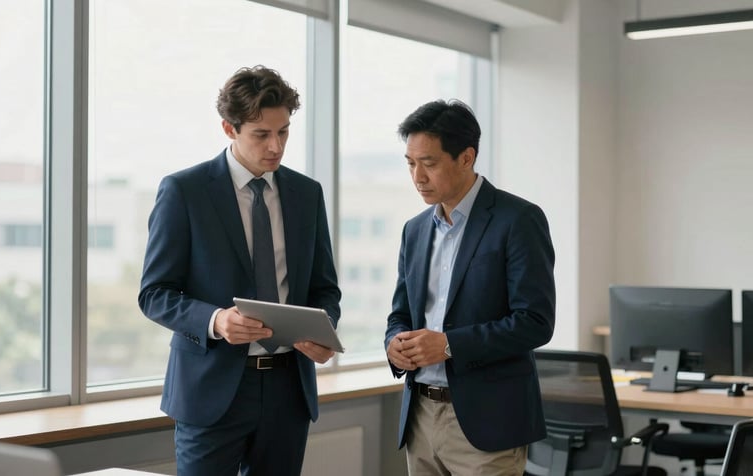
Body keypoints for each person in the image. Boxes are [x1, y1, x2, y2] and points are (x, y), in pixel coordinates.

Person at [138, 65, 341, 476]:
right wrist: (215, 320)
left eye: (283, 132)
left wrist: (323, 332)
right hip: (211, 389)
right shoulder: (185, 192)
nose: (276, 146)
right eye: (261, 134)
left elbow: (324, 289)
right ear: (229, 129)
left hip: (289, 389)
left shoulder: (307, 194)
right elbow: (155, 293)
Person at [384, 99, 555, 475]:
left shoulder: (518, 220)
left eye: (429, 163)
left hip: (487, 423)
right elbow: (401, 313)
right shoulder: (414, 230)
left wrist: (446, 345)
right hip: (420, 416)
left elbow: (535, 322)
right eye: (410, 163)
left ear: (466, 157)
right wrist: (394, 344)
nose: (418, 177)